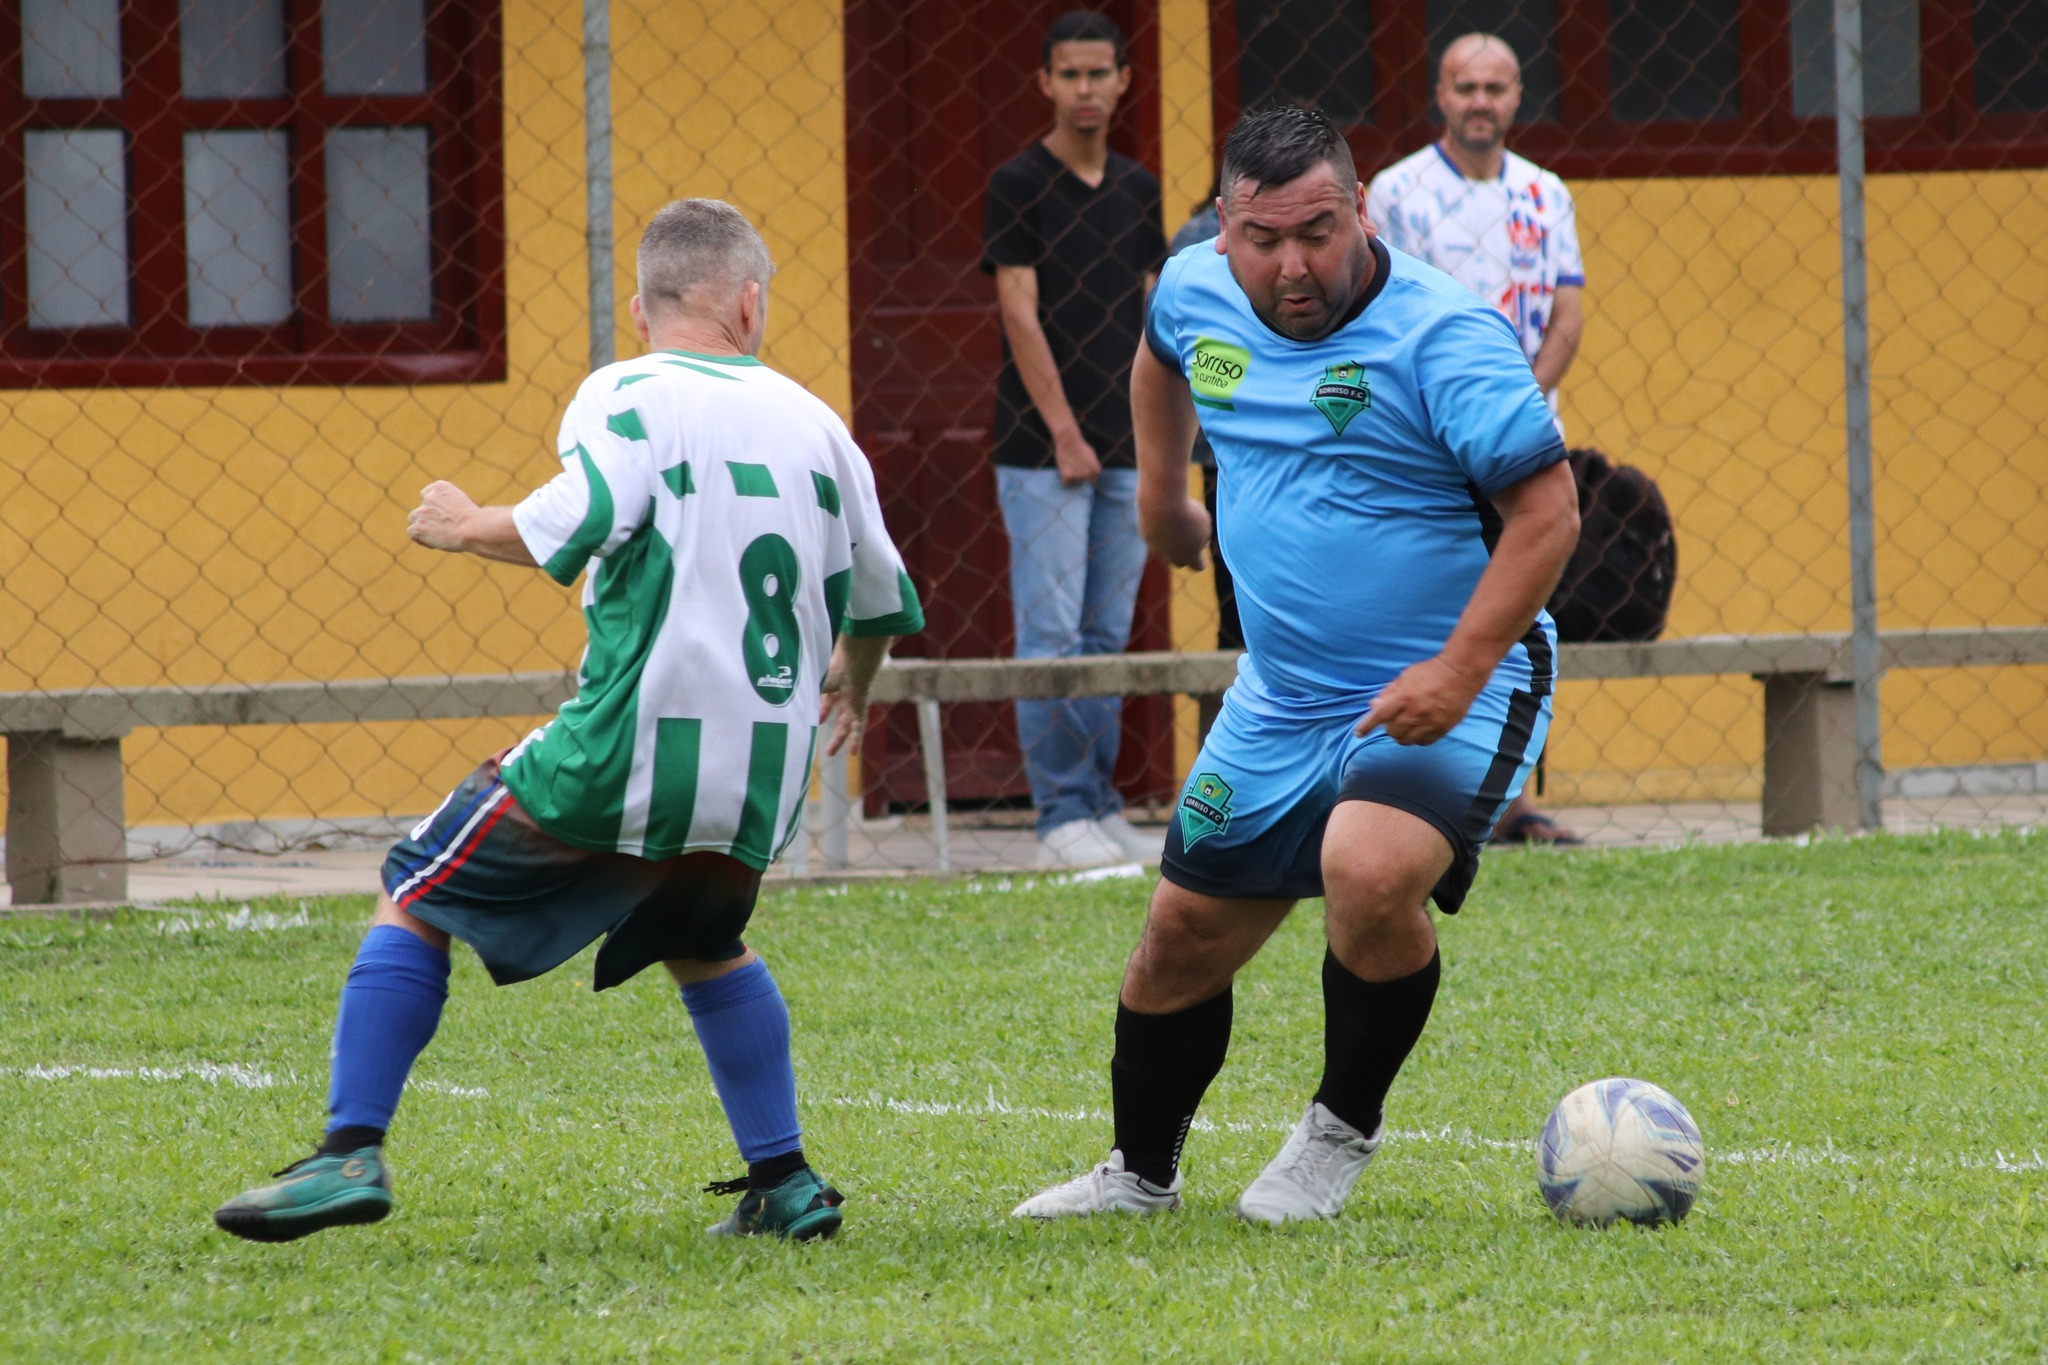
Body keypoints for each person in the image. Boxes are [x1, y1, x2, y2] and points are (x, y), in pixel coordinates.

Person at [212, 199, 924, 1245]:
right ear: (750, 301)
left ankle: (345, 1153)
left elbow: (585, 513)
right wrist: (851, 685)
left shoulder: (627, 390)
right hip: (760, 776)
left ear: (639, 309)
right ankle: (785, 1182)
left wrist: (465, 526)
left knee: (414, 887)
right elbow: (879, 606)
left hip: (628, 748)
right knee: (703, 936)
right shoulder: (823, 428)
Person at [1012, 108, 1578, 1224]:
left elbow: (1548, 514)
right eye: (1261, 240)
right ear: (1221, 230)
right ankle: (1138, 1178)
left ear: (1358, 211)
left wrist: (1458, 673)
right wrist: (1160, 493)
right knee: (1178, 937)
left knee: (1365, 873)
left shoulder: (1444, 338)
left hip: (1454, 679)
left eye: (1316, 233)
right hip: (1280, 693)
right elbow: (1156, 358)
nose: (1291, 266)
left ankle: (1337, 1129)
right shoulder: (1190, 289)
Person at [1368, 31, 1587, 846]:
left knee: (1524, 611)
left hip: (1522, 445)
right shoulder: (1397, 193)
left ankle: (1515, 802)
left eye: (1496, 88)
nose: (1481, 103)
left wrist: (1511, 412)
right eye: (1466, 87)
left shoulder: (1546, 193)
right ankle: (1411, 783)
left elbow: (1566, 314)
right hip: (1426, 449)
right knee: (1428, 605)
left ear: (1518, 97)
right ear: (1440, 94)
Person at [982, 9, 1167, 869]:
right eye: (1071, 74)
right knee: (1050, 635)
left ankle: (1098, 800)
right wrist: (1063, 430)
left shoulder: (1136, 188)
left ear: (1124, 80)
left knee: (1106, 636)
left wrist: (1151, 433)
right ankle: (1059, 811)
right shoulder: (1018, 184)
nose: (1086, 89)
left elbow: (1154, 308)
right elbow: (1018, 310)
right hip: (1040, 446)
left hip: (1128, 444)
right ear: (1045, 82)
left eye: (1101, 73)